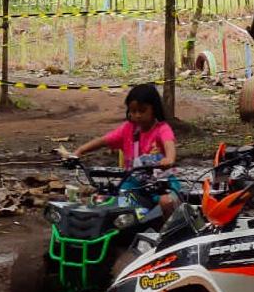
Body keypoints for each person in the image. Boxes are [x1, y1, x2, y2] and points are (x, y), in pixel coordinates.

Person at [73, 83, 180, 217]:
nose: (137, 115)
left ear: (154, 109)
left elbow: (169, 144)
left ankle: (167, 234)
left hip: (161, 184)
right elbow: (103, 141)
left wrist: (169, 159)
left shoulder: (162, 129)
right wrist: (80, 151)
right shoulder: (127, 129)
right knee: (113, 202)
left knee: (166, 202)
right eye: (133, 111)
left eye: (142, 111)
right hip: (133, 184)